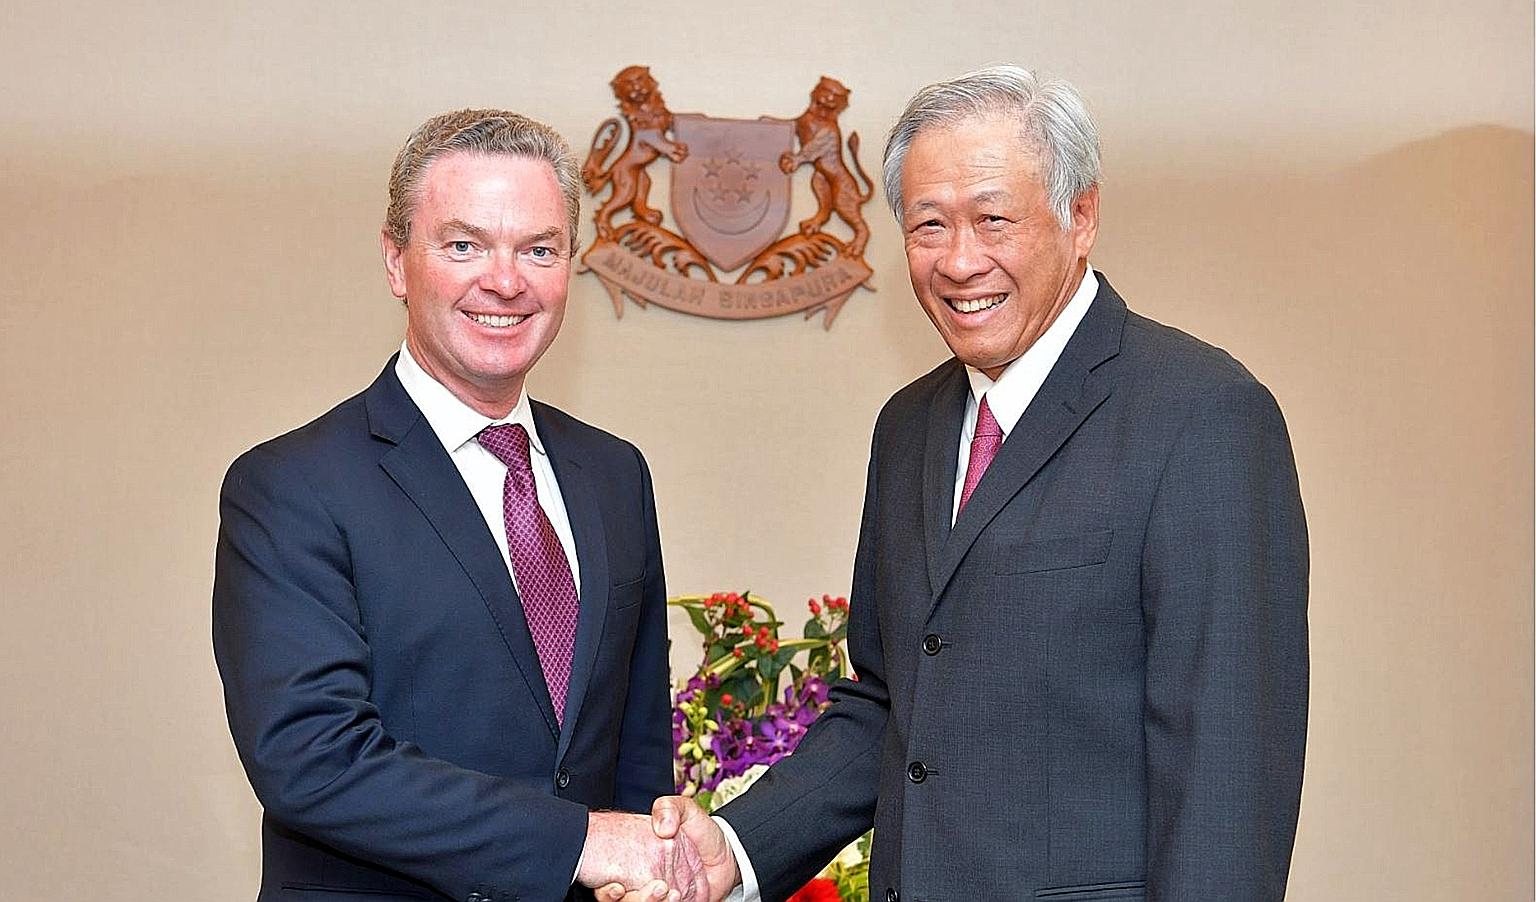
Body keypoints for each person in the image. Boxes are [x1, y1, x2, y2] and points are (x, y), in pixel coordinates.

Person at [643, 65, 1310, 901]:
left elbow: (1229, 766)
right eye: (928, 226)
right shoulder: (910, 425)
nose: (959, 262)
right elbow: (892, 701)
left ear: (1081, 217)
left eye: (993, 219)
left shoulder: (1203, 415)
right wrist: (738, 851)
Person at [213, 109, 702, 902]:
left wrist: (654, 856)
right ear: (397, 261)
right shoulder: (291, 486)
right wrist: (578, 841)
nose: (505, 281)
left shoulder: (614, 474)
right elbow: (312, 760)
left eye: (538, 249)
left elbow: (636, 749)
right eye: (464, 244)